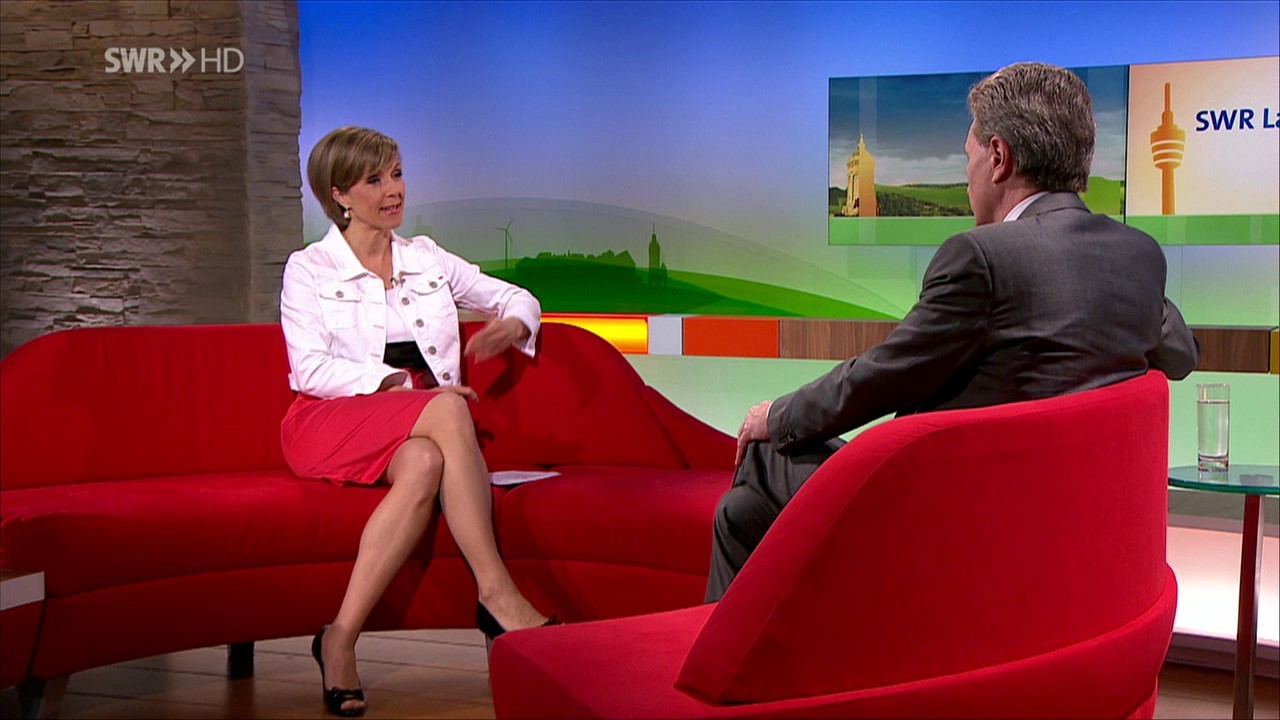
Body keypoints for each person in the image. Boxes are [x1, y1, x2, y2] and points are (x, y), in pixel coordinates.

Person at [706, 62, 1200, 603]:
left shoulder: (980, 258)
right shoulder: (1137, 255)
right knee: (740, 513)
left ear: (999, 158)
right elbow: (1180, 354)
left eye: (968, 157)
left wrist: (773, 415)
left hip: (957, 526)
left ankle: (773, 643)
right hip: (1067, 532)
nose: (966, 177)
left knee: (766, 451)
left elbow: (882, 378)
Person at [280, 126, 554, 717]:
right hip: (329, 420)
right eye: (374, 180)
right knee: (450, 406)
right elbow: (311, 369)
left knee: (427, 462)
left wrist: (513, 324)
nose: (394, 190)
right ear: (340, 195)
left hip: (418, 429)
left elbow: (517, 296)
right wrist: (403, 387)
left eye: (398, 174)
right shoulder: (309, 268)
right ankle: (496, 593)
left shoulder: (425, 258)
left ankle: (339, 638)